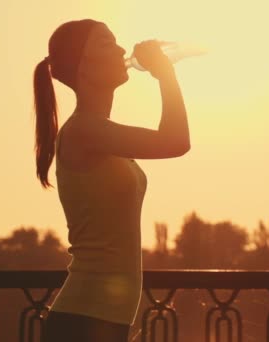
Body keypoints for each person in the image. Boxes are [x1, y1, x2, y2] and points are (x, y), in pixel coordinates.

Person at [32, 19, 190, 342]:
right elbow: (176, 140)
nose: (121, 49)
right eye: (107, 44)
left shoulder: (101, 132)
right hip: (83, 321)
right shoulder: (83, 131)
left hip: (101, 322)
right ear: (84, 65)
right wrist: (165, 73)